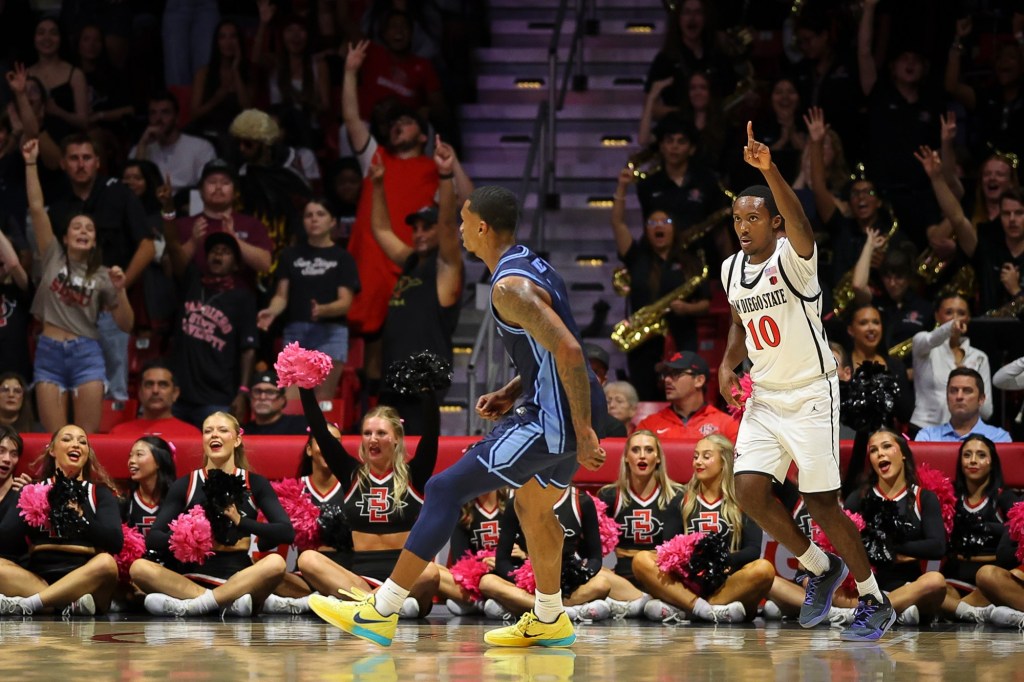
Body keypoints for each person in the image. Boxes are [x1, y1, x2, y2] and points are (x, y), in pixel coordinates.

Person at [307, 185, 608, 648]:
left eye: (463, 221)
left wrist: (582, 430)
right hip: (567, 401)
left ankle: (380, 610)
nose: (459, 230)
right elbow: (551, 347)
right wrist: (512, 389)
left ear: (483, 227)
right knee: (531, 505)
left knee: (445, 487)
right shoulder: (533, 262)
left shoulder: (509, 287)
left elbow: (568, 349)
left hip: (557, 415)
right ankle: (550, 618)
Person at [719, 122, 896, 642]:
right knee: (748, 491)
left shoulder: (795, 260)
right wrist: (729, 364)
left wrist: (770, 170)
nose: (744, 227)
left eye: (754, 218)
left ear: (773, 222)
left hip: (812, 394)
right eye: (737, 219)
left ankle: (874, 599)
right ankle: (820, 567)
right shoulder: (731, 267)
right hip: (766, 397)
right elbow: (738, 319)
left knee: (822, 504)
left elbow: (801, 224)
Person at [130, 412, 293, 617]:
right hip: (191, 579)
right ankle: (223, 603)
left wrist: (241, 521)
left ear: (237, 440)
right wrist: (188, 540)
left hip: (239, 578)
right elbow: (154, 537)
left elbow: (286, 532)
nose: (214, 435)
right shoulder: (186, 483)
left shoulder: (255, 482)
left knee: (275, 563)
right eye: (208, 431)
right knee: (139, 568)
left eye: (223, 430)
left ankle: (198, 606)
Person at [296, 393, 441, 620]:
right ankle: (383, 607)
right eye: (367, 433)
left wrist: (428, 392)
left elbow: (431, 435)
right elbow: (321, 434)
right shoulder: (351, 473)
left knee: (430, 572)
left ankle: (364, 607)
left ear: (396, 438)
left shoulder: (415, 475)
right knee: (307, 559)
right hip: (360, 578)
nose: (373, 439)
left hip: (404, 578)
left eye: (381, 433)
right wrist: (305, 388)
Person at [24, 138, 134, 434]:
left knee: (85, 442)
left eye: (90, 229)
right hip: (48, 352)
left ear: (95, 240)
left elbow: (125, 324)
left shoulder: (103, 275)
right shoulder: (52, 257)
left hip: (87, 353)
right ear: (65, 237)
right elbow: (36, 208)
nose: (83, 231)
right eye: (77, 227)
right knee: (55, 441)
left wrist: (121, 289)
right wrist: (31, 163)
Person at [48, 132, 154, 402]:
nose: (80, 164)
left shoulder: (118, 193)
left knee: (113, 384)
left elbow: (147, 246)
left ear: (97, 162)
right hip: (69, 304)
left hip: (109, 305)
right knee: (67, 385)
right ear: (63, 163)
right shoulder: (58, 202)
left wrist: (117, 288)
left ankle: (114, 443)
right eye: (74, 158)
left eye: (86, 158)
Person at [370, 136, 467, 432]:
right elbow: (381, 229)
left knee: (414, 458)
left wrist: (446, 175)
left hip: (423, 383)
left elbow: (450, 225)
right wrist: (377, 184)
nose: (420, 233)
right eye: (416, 228)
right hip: (393, 378)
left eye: (428, 227)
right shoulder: (411, 261)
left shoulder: (446, 266)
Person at [633, 435, 775, 623]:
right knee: (641, 559)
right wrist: (693, 565)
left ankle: (690, 609)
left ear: (724, 462)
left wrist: (721, 563)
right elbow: (665, 549)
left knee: (764, 569)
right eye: (696, 456)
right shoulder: (681, 501)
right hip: (688, 580)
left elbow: (753, 550)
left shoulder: (743, 501)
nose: (698, 462)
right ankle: (708, 610)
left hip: (726, 579)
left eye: (706, 456)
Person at [611, 159, 712, 401]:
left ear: (674, 229)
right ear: (646, 230)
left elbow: (706, 302)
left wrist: (687, 308)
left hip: (681, 335)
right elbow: (617, 223)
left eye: (664, 222)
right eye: (652, 222)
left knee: (682, 392)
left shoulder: (690, 261)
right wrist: (623, 188)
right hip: (644, 340)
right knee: (644, 392)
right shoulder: (637, 257)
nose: (658, 226)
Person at [0, 425, 122, 616]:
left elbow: (115, 541)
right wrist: (25, 502)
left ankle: (32, 605)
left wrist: (80, 518)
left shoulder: (99, 493)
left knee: (106, 563)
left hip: (86, 579)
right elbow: (5, 542)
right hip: (38, 579)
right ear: (52, 450)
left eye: (82, 442)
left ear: (87, 452)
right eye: (67, 439)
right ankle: (64, 604)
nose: (76, 444)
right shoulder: (33, 489)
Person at [257, 198, 361, 400]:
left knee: (323, 402)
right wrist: (272, 311)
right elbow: (281, 296)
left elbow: (345, 302)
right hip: (297, 333)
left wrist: (323, 310)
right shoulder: (289, 255)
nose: (314, 219)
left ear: (333, 222)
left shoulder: (342, 258)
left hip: (331, 332)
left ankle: (321, 434)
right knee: (292, 400)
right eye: (309, 215)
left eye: (320, 214)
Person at [843, 429, 949, 625]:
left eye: (887, 446)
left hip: (910, 587)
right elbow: (842, 542)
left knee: (935, 581)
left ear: (903, 455)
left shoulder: (923, 497)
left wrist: (890, 547)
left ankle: (869, 613)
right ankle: (893, 613)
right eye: (873, 450)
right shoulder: (859, 498)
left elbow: (937, 546)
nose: (880, 453)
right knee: (811, 582)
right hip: (867, 587)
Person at [478, 486, 611, 622]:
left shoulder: (581, 501)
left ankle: (522, 607)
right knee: (487, 582)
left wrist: (577, 577)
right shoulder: (518, 502)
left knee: (602, 584)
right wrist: (523, 581)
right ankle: (565, 612)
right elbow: (502, 561)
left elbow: (595, 558)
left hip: (567, 581)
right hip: (527, 582)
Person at [168, 231, 258, 427]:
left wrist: (243, 392)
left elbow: (248, 349)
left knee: (216, 455)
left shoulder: (242, 299)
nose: (218, 255)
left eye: (225, 252)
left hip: (216, 398)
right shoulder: (191, 282)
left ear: (235, 264)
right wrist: (169, 211)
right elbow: (173, 249)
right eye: (214, 251)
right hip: (178, 397)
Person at [595, 430, 684, 618]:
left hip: (662, 578)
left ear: (658, 458)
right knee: (588, 571)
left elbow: (680, 551)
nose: (642, 455)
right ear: (626, 457)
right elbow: (590, 546)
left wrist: (636, 555)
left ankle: (634, 605)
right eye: (635, 450)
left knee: (642, 560)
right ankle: (645, 603)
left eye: (649, 450)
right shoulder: (610, 495)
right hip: (622, 579)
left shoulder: (677, 496)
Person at [940, 435, 1018, 623]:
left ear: (992, 463)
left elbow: (1018, 533)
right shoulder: (949, 497)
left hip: (990, 577)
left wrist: (989, 527)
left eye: (981, 455)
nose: (973, 460)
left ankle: (958, 612)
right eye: (967, 455)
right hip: (955, 575)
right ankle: (974, 613)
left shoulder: (1004, 498)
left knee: (944, 604)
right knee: (933, 591)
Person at [165, 158, 273, 294]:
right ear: (200, 190)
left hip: (239, 305)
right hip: (193, 305)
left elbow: (265, 265)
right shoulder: (182, 225)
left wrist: (235, 240)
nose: (218, 187)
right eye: (212, 182)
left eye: (225, 183)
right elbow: (169, 270)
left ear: (235, 192)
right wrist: (193, 242)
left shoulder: (252, 224)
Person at [909, 294, 993, 433]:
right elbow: (930, 339)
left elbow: (987, 411)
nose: (955, 318)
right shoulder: (923, 345)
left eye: (961, 313)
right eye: (949, 312)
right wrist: (949, 328)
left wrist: (971, 386)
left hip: (965, 434)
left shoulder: (980, 357)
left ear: (968, 318)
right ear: (937, 316)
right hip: (924, 429)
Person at [636, 351, 738, 442]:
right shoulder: (648, 425)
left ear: (699, 380)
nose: (667, 380)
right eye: (666, 374)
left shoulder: (726, 424)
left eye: (676, 373)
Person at [438, 489, 509, 615]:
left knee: (491, 582)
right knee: (433, 571)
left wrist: (503, 561)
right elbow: (460, 559)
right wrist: (483, 565)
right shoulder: (463, 512)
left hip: (507, 574)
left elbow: (525, 549)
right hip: (478, 577)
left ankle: (479, 603)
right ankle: (484, 603)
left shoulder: (512, 504)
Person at [129, 91, 217, 193]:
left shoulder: (201, 147)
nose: (158, 118)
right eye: (153, 113)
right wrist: (143, 144)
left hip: (186, 203)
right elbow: (133, 188)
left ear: (177, 118)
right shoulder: (140, 148)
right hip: (152, 205)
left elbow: (208, 186)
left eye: (165, 112)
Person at [189, 20, 254, 136]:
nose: (228, 42)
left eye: (233, 36)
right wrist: (217, 98)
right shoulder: (203, 72)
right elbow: (194, 113)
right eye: (222, 37)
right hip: (207, 130)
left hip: (235, 133)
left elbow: (248, 109)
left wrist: (235, 70)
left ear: (239, 41)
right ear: (216, 42)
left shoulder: (247, 71)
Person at [109, 361, 201, 441]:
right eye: (149, 384)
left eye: (163, 385)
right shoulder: (119, 433)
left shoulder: (192, 434)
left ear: (175, 393)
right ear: (140, 392)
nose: (155, 391)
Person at [914, 368, 1011, 443]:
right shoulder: (927, 437)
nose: (959, 396)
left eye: (967, 391)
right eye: (953, 391)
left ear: (981, 399)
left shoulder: (998, 438)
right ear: (947, 397)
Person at [124, 436, 178, 538]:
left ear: (159, 461)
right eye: (130, 456)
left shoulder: (178, 498)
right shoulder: (125, 500)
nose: (131, 461)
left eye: (139, 454)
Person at [242, 370, 308, 436]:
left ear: (282, 400)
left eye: (270, 392)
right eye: (257, 391)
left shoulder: (302, 426)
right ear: (250, 398)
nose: (262, 397)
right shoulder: (242, 432)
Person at [0, 426, 30, 520]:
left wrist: (30, 498)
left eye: (14, 454)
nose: (7, 459)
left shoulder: (22, 491)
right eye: (1, 451)